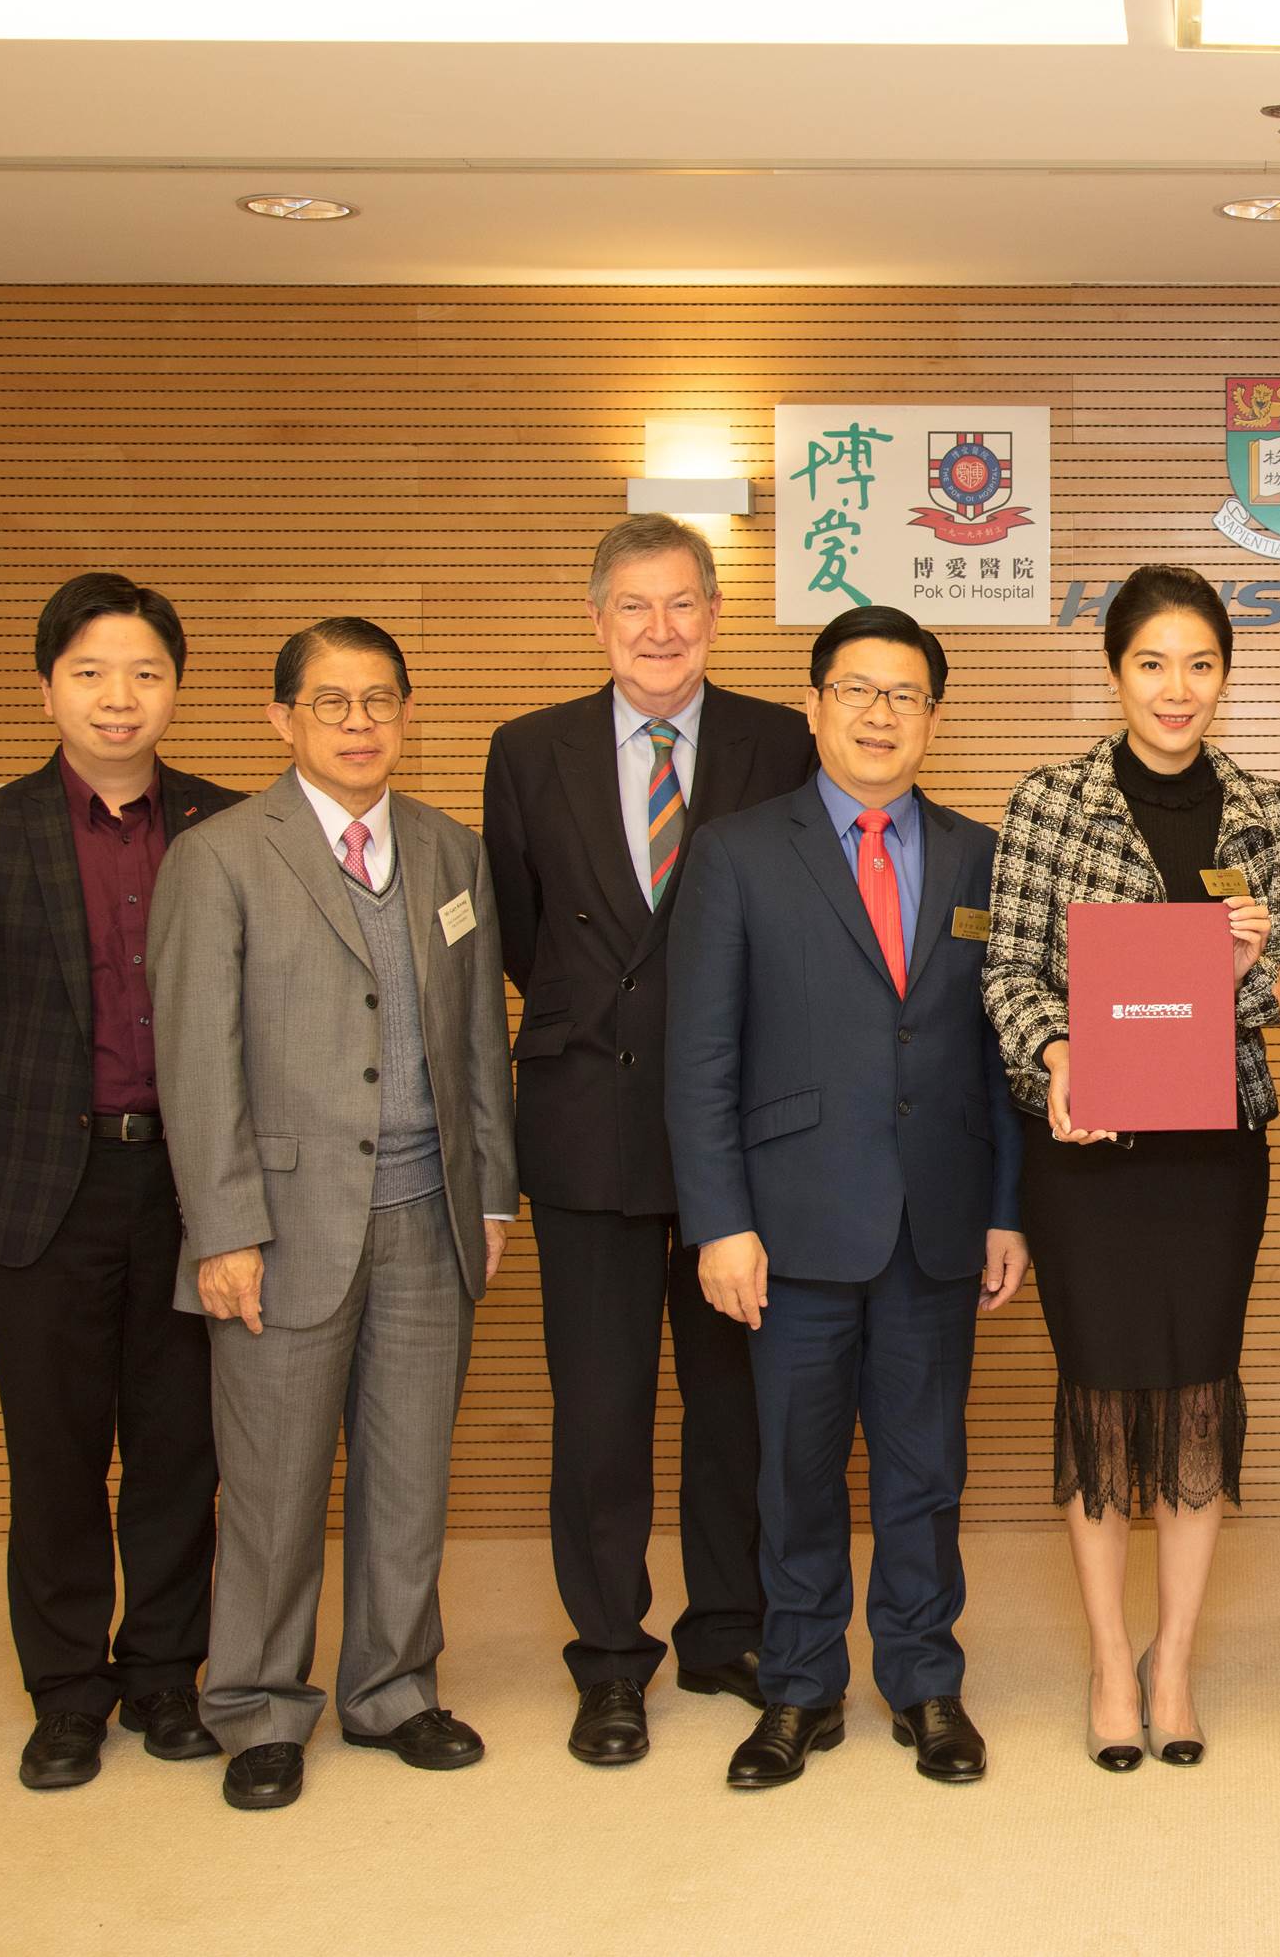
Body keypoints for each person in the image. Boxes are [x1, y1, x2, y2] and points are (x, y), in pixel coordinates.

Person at [149, 617, 518, 1811]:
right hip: (280, 1223)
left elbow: (478, 1039)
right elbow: (194, 1059)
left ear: (407, 713)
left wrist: (491, 1192)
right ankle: (258, 1703)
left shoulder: (450, 851)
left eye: (379, 701)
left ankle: (393, 1688)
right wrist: (222, 1230)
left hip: (429, 1215)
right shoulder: (219, 856)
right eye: (331, 702)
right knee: (273, 1483)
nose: (359, 723)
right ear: (282, 718)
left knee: (409, 1476)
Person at [665, 604, 1028, 1793]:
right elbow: (701, 1054)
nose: (881, 714)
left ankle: (925, 1680)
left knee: (925, 1472)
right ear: (815, 705)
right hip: (790, 1222)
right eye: (858, 690)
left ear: (935, 716)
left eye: (906, 694)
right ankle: (799, 1684)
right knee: (794, 1470)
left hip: (937, 1218)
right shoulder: (735, 851)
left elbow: (1002, 1051)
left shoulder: (981, 854)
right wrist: (720, 1220)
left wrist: (1007, 1208)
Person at [482, 514, 816, 1767]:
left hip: (742, 1128)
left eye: (682, 603)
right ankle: (612, 1657)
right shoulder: (529, 749)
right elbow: (525, 935)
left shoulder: (782, 740)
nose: (660, 629)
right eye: (634, 605)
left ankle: (728, 1626)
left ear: (716, 614)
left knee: (737, 1405)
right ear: (596, 619)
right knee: (601, 1408)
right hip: (589, 1118)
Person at [0, 573, 239, 1791]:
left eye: (145, 671)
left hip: (196, 1186)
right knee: (55, 1452)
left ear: (176, 688)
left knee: (180, 1447)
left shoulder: (230, 825)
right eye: (91, 671)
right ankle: (65, 1691)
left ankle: (165, 1674)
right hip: (45, 1185)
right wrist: (38, 1106)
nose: (118, 696)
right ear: (47, 687)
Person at [983, 564, 1280, 1771]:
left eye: (1202, 664)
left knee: (1196, 1391)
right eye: (1153, 663)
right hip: (1091, 1154)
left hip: (1215, 1153)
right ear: (1116, 672)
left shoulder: (1269, 811)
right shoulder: (1051, 800)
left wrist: (1260, 971)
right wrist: (1057, 1051)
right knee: (1104, 1395)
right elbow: (1009, 971)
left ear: (1227, 675)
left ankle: (1175, 1659)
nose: (1179, 689)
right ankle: (1111, 1656)